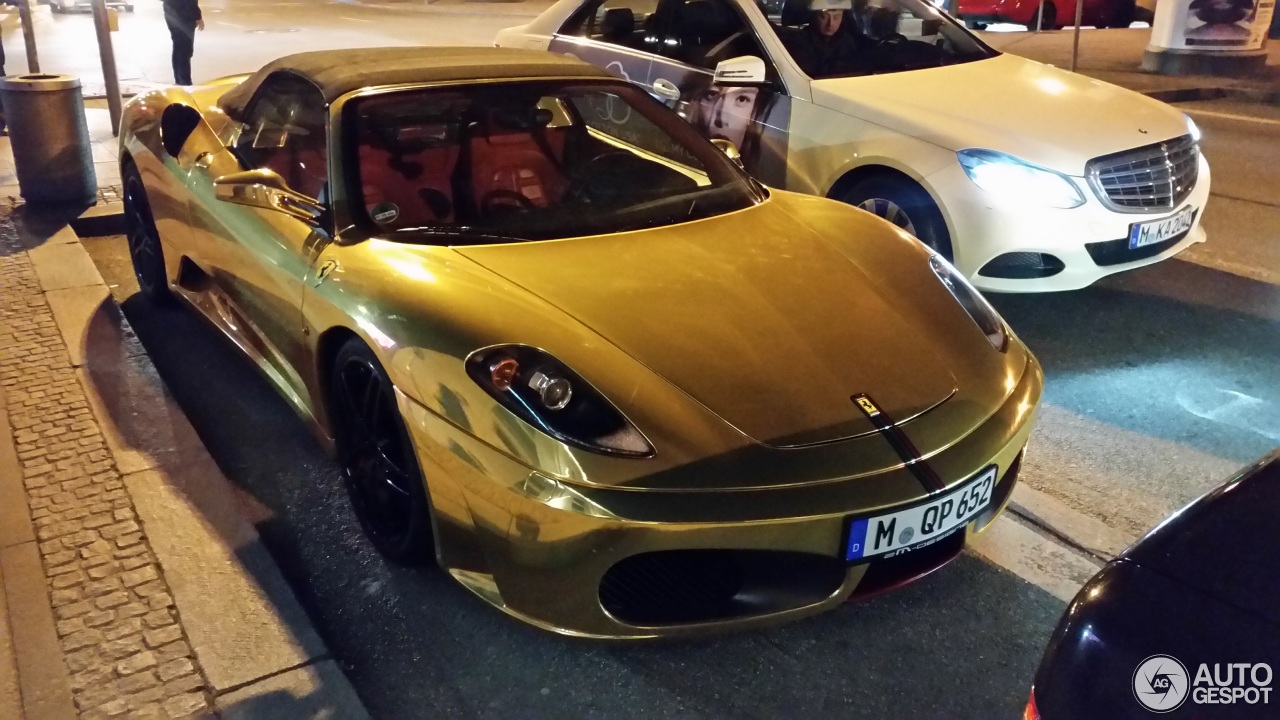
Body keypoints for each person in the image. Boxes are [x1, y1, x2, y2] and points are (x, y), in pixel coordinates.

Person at [783, 0, 869, 77]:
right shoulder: (799, 42)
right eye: (823, 16)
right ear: (814, 16)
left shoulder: (850, 41)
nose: (830, 23)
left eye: (837, 17)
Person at [162, 0, 204, 86]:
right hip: (185, 15)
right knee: (185, 50)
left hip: (170, 12)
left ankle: (179, 81)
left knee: (178, 47)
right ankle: (185, 83)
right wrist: (198, 16)